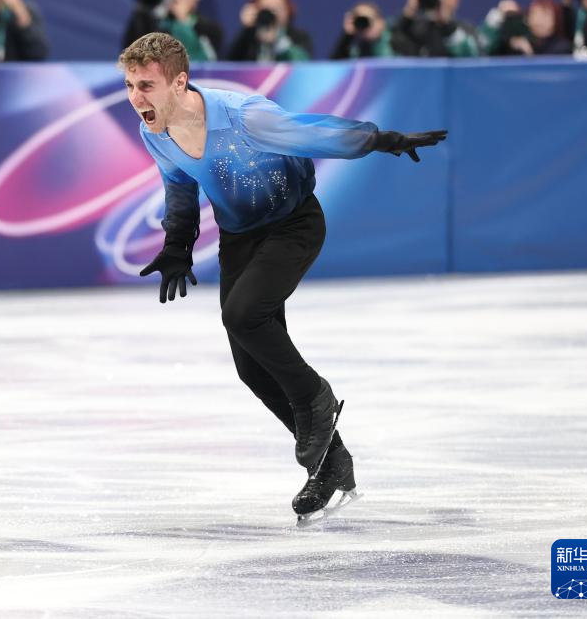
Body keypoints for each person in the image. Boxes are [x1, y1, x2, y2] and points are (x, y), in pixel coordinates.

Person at [119, 33, 446, 523]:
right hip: (240, 239)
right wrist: (177, 245)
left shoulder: (243, 116)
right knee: (251, 367)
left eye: (146, 85)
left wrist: (379, 139)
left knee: (243, 315)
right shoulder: (156, 134)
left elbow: (312, 133)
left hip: (293, 225)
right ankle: (332, 464)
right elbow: (180, 186)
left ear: (179, 82)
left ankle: (316, 397)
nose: (135, 97)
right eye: (129, 85)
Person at [122, 0, 223, 61]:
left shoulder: (210, 28)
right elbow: (131, 56)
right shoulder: (151, 22)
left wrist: (182, 20)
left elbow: (208, 61)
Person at [391, 0, 481, 57]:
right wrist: (407, 16)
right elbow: (391, 48)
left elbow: (474, 57)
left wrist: (448, 27)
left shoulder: (466, 30)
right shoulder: (413, 29)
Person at [227, 0, 312, 62]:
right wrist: (246, 30)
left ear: (288, 10)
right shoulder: (249, 37)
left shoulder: (299, 37)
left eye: (277, 8)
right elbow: (229, 64)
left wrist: (278, 40)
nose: (271, 14)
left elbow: (303, 64)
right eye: (266, 8)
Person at [479, 0, 572, 57]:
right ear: (528, 19)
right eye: (536, 15)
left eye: (545, 15)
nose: (540, 20)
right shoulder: (515, 44)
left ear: (555, 20)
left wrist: (529, 54)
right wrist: (498, 14)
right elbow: (486, 51)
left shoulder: (563, 48)